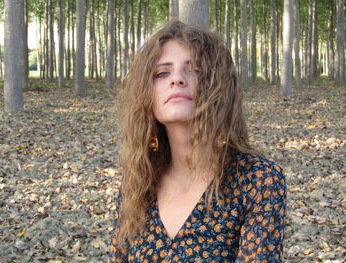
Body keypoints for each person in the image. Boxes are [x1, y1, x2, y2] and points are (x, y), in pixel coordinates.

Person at [109, 21, 286, 263]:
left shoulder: (257, 179)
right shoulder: (138, 186)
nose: (177, 79)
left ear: (218, 86)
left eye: (194, 70)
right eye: (162, 73)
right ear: (147, 93)